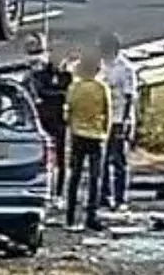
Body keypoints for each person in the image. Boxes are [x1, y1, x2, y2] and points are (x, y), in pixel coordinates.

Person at [64, 48, 112, 231]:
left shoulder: (74, 87)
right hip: (97, 136)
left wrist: (72, 128)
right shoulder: (102, 88)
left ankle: (70, 215)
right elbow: (107, 113)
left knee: (74, 176)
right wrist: (105, 133)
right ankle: (91, 216)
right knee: (95, 177)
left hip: (77, 134)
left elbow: (68, 111)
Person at [97, 31, 138, 213]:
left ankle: (121, 198)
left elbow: (130, 96)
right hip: (101, 119)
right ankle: (104, 196)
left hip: (118, 118)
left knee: (118, 160)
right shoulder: (100, 65)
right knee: (102, 160)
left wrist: (126, 121)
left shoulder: (125, 68)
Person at [31, 48, 73, 204]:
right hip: (44, 119)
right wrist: (59, 94)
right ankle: (43, 190)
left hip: (60, 120)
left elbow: (69, 93)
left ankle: (59, 193)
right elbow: (41, 91)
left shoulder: (68, 76)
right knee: (43, 157)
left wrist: (55, 93)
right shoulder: (41, 75)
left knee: (62, 159)